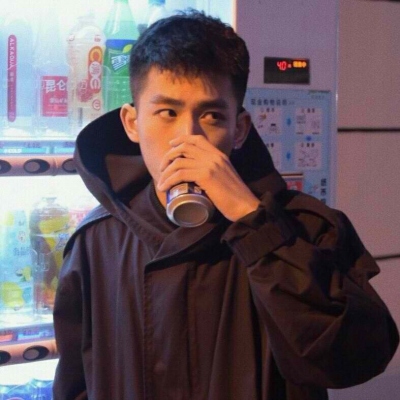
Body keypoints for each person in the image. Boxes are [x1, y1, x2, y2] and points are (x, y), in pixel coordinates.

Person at [52, 10, 399, 400]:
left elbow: (356, 358)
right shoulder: (97, 239)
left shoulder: (306, 226)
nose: (188, 137)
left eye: (212, 116)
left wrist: (255, 223)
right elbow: (75, 382)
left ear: (240, 129)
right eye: (167, 113)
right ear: (132, 123)